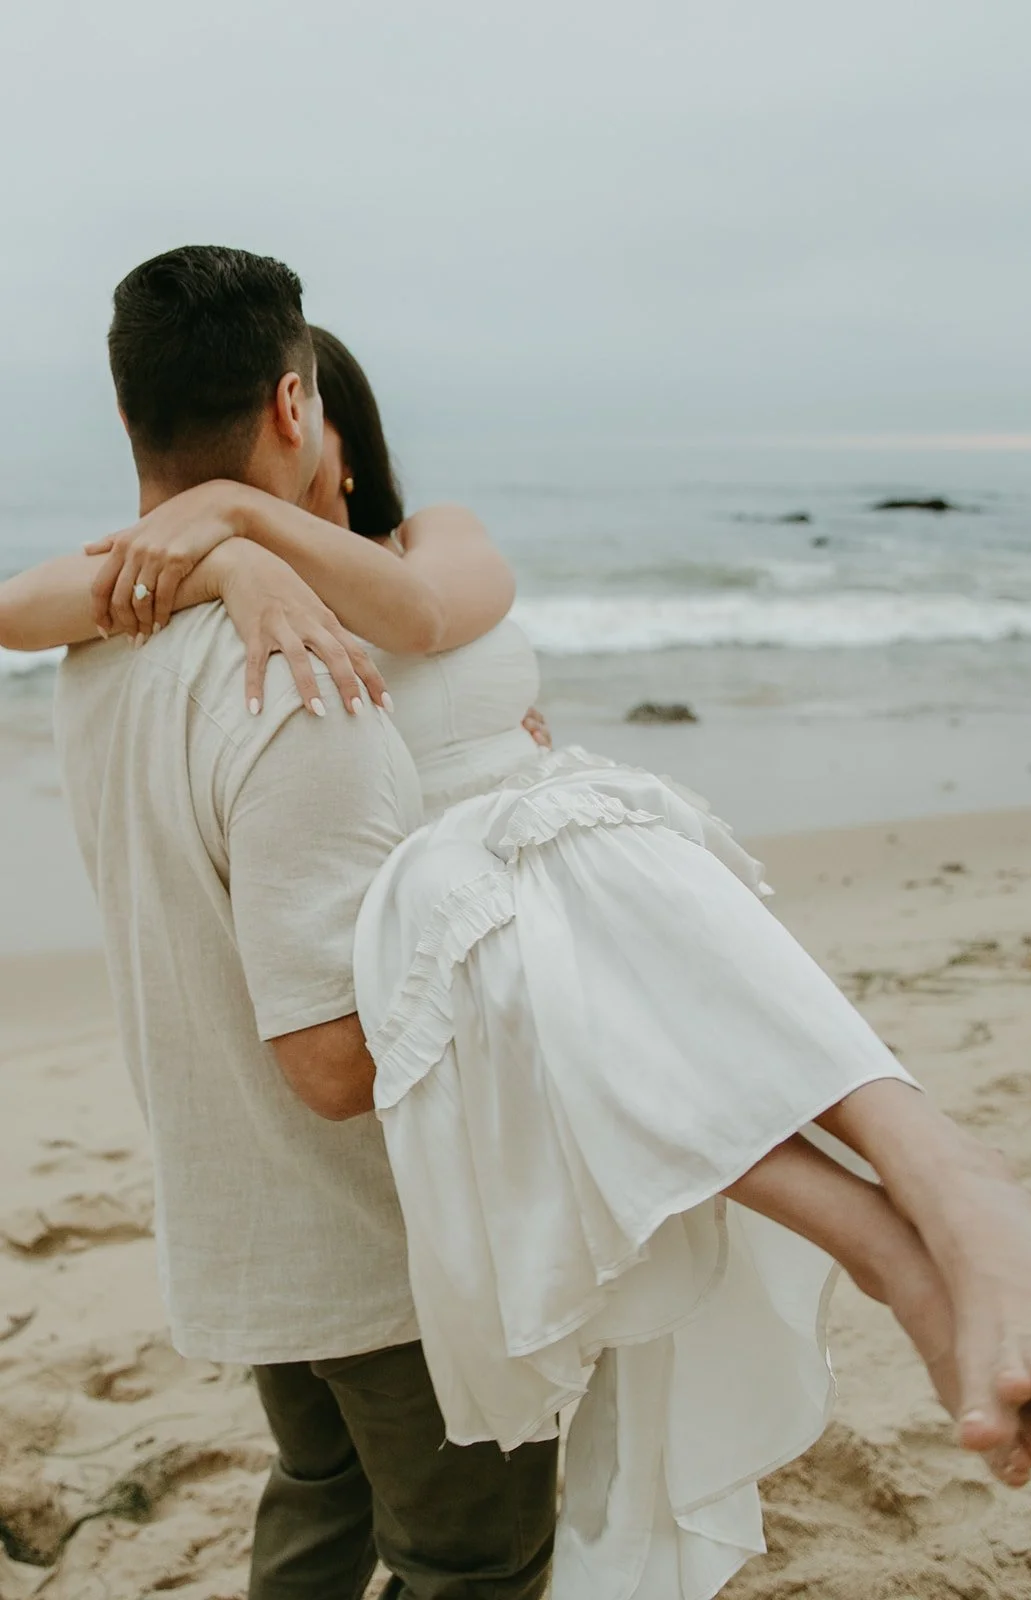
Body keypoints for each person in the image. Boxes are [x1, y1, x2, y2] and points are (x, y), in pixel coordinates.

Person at [6, 313, 1031, 1595]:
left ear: (312, 429)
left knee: (602, 911)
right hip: (475, 980)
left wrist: (235, 524)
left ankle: (925, 1225)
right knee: (426, 1518)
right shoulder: (206, 619)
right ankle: (919, 1219)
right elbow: (17, 607)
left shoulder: (425, 542)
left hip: (534, 924)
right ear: (297, 411)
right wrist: (228, 563)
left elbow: (416, 606)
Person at [0, 246, 559, 1600]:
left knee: (319, 1496)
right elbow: (336, 1065)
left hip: (236, 1206)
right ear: (300, 411)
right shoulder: (302, 677)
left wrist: (232, 544)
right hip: (385, 1241)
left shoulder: (100, 653)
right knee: (466, 1561)